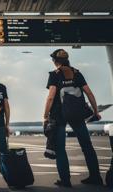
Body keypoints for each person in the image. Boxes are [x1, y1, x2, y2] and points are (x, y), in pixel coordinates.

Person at [43, 49, 103, 187]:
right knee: (87, 146)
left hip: (58, 115)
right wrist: (95, 112)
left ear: (55, 61)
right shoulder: (77, 73)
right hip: (76, 113)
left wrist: (45, 116)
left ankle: (65, 180)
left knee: (60, 148)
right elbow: (89, 93)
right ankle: (95, 177)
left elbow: (51, 96)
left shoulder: (54, 75)